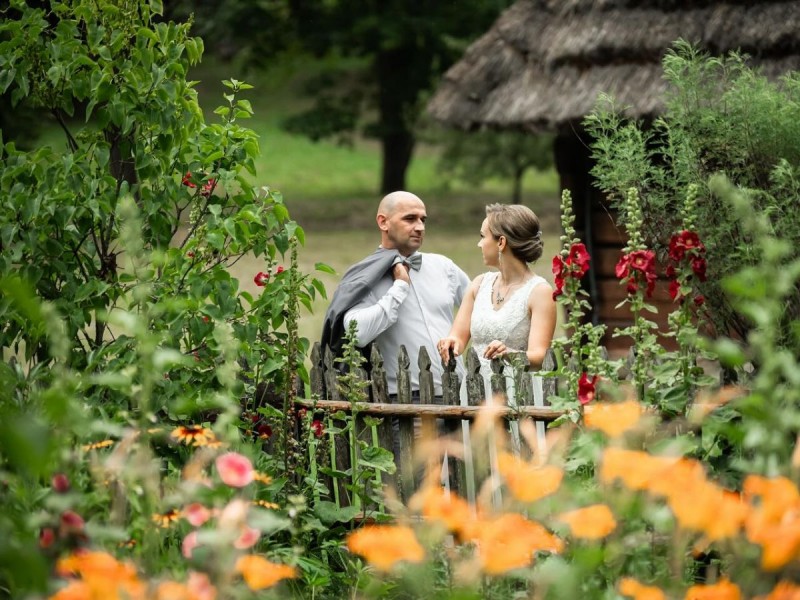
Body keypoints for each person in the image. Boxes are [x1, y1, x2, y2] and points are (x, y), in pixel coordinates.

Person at [321, 191, 471, 397]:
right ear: (383, 222)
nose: (420, 227)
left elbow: (478, 308)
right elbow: (358, 333)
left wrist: (458, 337)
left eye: (423, 220)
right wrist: (400, 286)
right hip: (407, 400)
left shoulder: (444, 267)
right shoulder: (365, 276)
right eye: (410, 219)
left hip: (461, 394)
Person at [437, 203, 556, 381]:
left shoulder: (539, 292)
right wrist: (451, 342)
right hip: (474, 389)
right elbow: (458, 338)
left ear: (501, 242)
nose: (479, 244)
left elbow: (539, 356)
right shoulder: (479, 284)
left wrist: (509, 353)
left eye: (482, 236)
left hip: (519, 394)